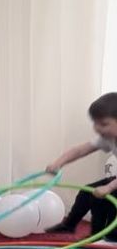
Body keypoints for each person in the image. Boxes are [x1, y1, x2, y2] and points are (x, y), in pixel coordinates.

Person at [45, 92, 117, 241]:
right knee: (88, 192)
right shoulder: (108, 137)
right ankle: (71, 226)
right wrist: (58, 162)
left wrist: (109, 187)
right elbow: (80, 150)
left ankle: (111, 238)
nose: (97, 128)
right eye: (95, 123)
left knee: (111, 198)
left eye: (104, 124)